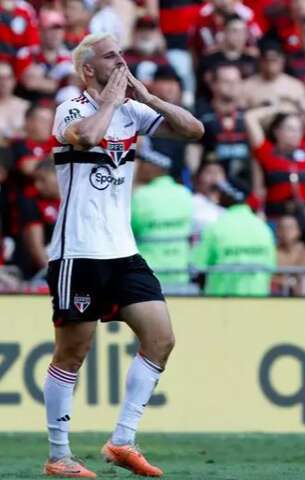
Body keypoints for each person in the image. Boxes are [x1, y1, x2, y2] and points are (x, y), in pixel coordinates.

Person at [43, 33, 203, 478]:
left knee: (161, 337)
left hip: (122, 250)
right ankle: (59, 455)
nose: (123, 61)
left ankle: (122, 440)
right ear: (89, 69)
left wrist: (149, 97)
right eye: (112, 56)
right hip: (79, 252)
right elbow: (87, 135)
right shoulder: (71, 109)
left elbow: (194, 130)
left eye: (122, 53)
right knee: (72, 353)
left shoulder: (134, 111)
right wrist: (111, 102)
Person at [245, 98, 305, 219]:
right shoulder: (266, 151)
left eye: (299, 129)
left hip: (303, 216)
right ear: (276, 131)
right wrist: (274, 108)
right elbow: (249, 118)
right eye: (290, 129)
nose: (296, 133)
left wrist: (301, 104)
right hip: (275, 217)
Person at [192, 180, 276, 296]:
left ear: (226, 196)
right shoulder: (263, 228)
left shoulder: (215, 228)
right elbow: (270, 267)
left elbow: (198, 265)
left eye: (220, 193)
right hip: (258, 302)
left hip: (221, 304)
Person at [132, 137, 193, 287]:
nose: (139, 166)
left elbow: (127, 231)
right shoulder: (184, 193)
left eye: (144, 161)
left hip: (149, 277)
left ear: (156, 166)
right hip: (180, 274)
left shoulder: (141, 196)